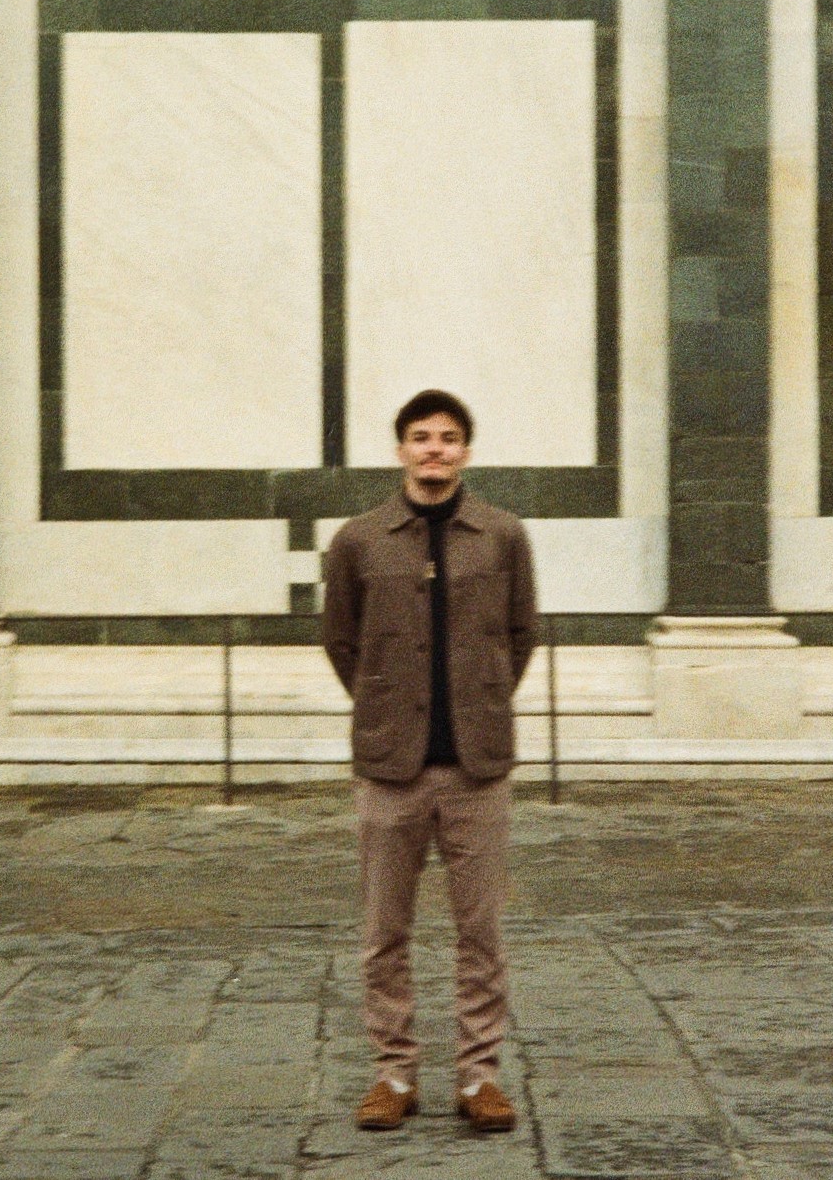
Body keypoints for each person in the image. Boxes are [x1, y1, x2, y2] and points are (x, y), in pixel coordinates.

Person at [321, 390, 538, 1133]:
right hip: (391, 769)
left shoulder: (502, 535)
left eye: (448, 437)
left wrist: (481, 700)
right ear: (401, 449)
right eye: (421, 437)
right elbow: (341, 640)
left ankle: (479, 1077)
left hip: (477, 768)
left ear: (465, 451)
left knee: (481, 932)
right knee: (385, 931)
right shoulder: (359, 540)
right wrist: (387, 707)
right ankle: (394, 1072)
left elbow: (521, 633)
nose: (434, 449)